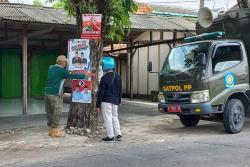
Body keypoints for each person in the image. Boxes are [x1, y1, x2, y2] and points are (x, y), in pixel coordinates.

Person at [44, 55, 86, 137]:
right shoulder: (62, 71)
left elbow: (68, 72)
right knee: (57, 111)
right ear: (63, 63)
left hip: (47, 92)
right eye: (65, 62)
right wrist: (85, 75)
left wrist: (71, 71)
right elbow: (72, 75)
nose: (66, 63)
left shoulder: (51, 68)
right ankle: (55, 130)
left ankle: (50, 128)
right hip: (55, 93)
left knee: (49, 111)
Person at [96, 56, 122, 142]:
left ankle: (110, 137)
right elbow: (120, 90)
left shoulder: (104, 78)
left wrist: (97, 104)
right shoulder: (118, 76)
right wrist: (119, 101)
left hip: (106, 101)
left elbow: (101, 93)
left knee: (108, 118)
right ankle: (118, 135)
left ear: (105, 66)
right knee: (115, 117)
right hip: (115, 101)